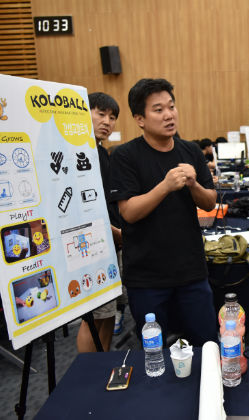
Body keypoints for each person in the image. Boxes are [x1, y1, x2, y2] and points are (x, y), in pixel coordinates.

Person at [109, 78, 217, 346]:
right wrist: (165, 186)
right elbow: (128, 212)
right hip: (147, 277)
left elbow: (209, 202)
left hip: (192, 271)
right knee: (155, 352)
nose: (169, 115)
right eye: (158, 110)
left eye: (171, 106)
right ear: (140, 119)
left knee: (206, 345)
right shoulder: (125, 156)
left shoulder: (190, 150)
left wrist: (193, 184)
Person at [76, 92, 123, 352]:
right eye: (101, 114)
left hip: (111, 243)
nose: (107, 121)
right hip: (92, 246)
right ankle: (88, 369)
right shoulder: (77, 153)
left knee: (108, 313)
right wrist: (112, 231)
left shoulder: (102, 153)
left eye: (112, 117)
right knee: (93, 318)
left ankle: (102, 363)